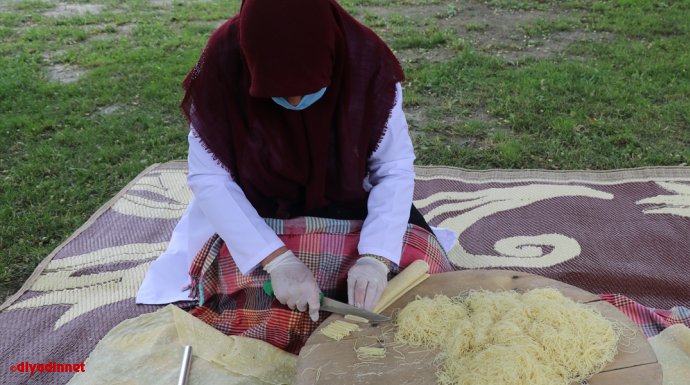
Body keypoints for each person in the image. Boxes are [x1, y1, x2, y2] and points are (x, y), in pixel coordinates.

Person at [136, 0, 454, 354]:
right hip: (259, 211)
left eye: (308, 87)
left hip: (350, 207)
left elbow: (393, 168)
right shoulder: (222, 66)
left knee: (419, 275)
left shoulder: (366, 63)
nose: (297, 99)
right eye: (280, 92)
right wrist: (277, 260)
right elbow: (210, 179)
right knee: (254, 295)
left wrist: (376, 258)